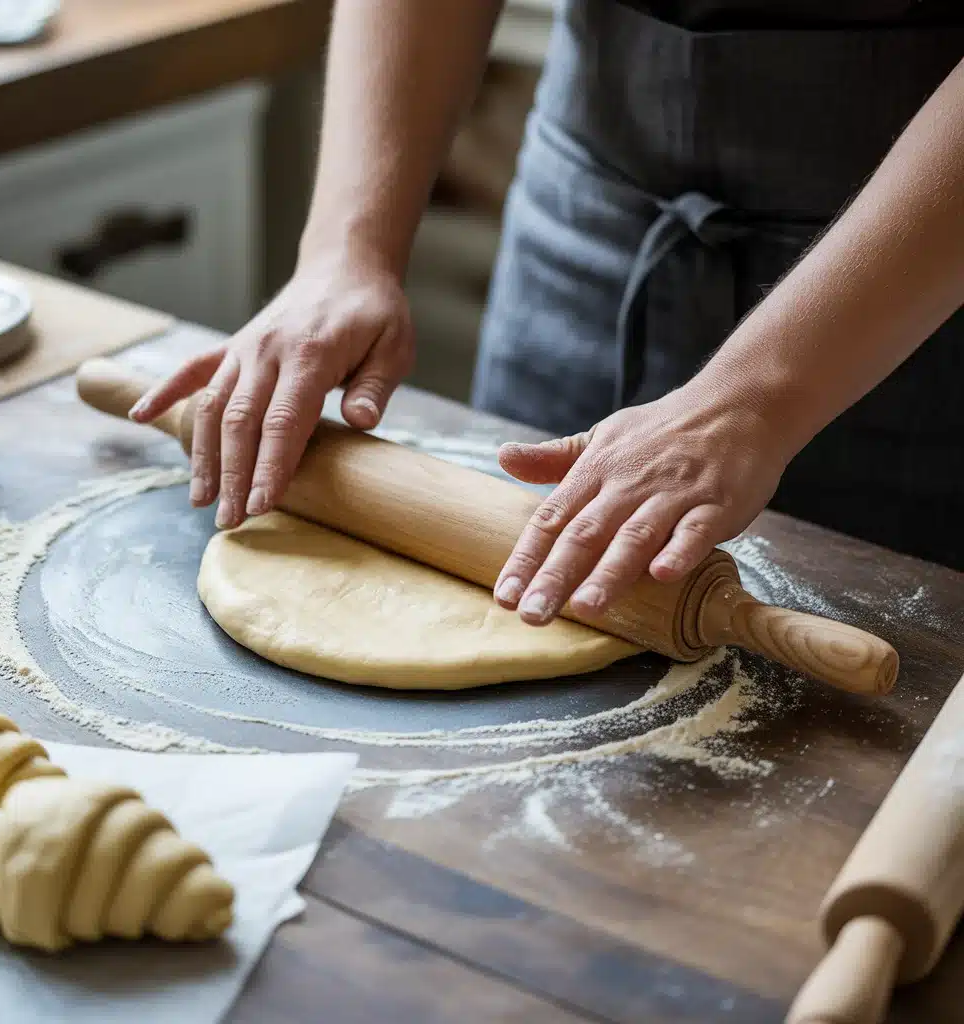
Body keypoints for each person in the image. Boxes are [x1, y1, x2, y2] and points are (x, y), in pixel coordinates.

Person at [131, 0, 964, 632]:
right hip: (596, 205)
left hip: (920, 275)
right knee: (532, 578)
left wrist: (756, 398)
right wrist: (344, 249)